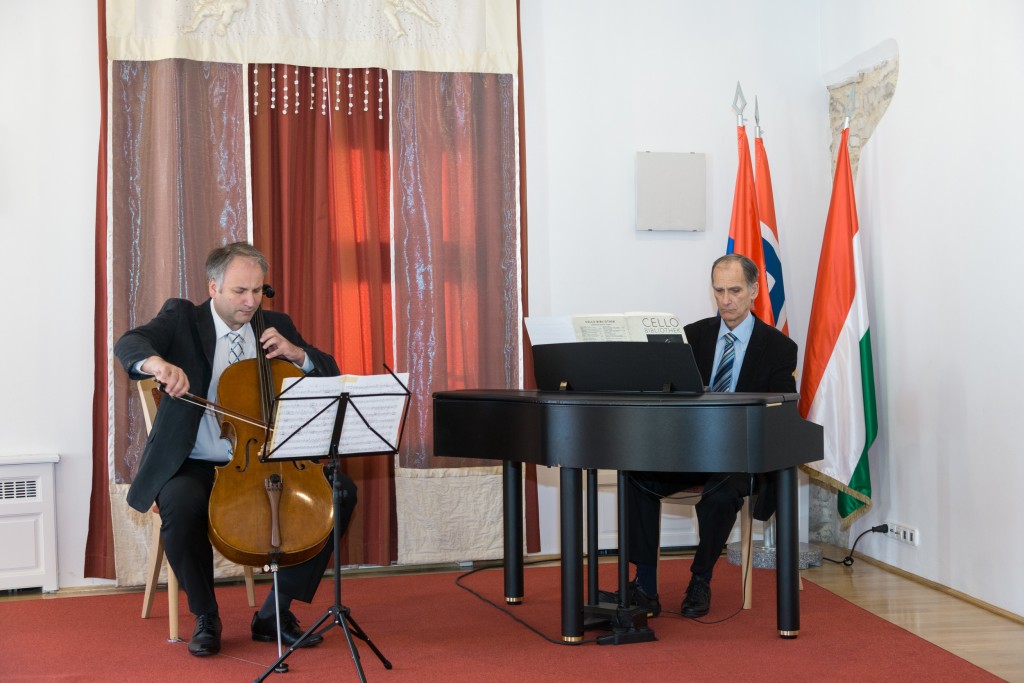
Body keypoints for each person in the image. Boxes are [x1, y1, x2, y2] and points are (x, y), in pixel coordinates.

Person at [115, 242, 358, 657]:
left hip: (267, 460)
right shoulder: (182, 319)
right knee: (181, 504)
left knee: (340, 492)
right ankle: (206, 616)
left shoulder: (275, 324)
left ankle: (274, 613)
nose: (251, 302)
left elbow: (331, 374)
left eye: (258, 290)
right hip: (196, 462)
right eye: (240, 291)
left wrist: (298, 354)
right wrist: (158, 365)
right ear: (214, 287)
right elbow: (130, 343)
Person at [601, 253, 797, 619]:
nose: (726, 300)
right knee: (634, 475)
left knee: (721, 494)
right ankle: (645, 587)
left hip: (741, 455)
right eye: (719, 290)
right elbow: (667, 396)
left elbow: (779, 413)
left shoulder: (778, 348)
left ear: (754, 290)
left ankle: (700, 579)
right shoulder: (692, 336)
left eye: (735, 290)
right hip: (689, 451)